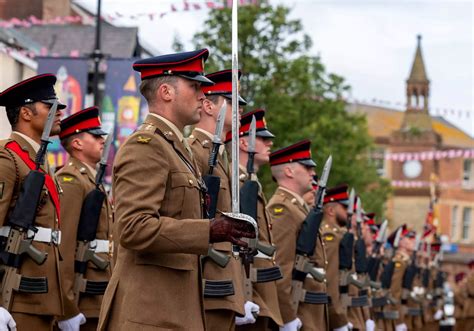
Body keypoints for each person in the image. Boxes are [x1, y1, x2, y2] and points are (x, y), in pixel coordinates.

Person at [97, 49, 255, 330]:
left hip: (174, 311)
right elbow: (133, 227)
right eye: (195, 86)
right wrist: (209, 230)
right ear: (167, 92)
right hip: (149, 314)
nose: (202, 95)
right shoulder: (145, 147)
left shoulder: (177, 149)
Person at [0, 74, 66, 329]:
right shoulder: (8, 158)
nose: (59, 112)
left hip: (43, 298)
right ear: (26, 113)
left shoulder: (40, 162)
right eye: (50, 107)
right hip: (16, 299)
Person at [188, 69, 248, 330]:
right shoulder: (194, 152)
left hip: (225, 278)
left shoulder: (221, 156)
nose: (240, 109)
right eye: (232, 101)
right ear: (209, 105)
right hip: (208, 278)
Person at [56, 106, 114, 330]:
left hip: (98, 296)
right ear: (77, 143)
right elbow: (64, 245)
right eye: (95, 135)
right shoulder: (71, 180)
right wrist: (67, 308)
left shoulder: (92, 180)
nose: (102, 140)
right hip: (83, 299)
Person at [267, 140, 329, 331]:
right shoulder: (283, 209)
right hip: (298, 314)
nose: (313, 173)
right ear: (289, 171)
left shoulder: (297, 209)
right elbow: (280, 268)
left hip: (309, 314)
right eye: (307, 167)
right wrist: (287, 318)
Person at [233, 109, 284, 330]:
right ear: (245, 144)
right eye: (263, 139)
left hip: (261, 297)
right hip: (247, 294)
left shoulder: (251, 183)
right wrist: (239, 296)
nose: (269, 143)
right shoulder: (236, 183)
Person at [321, 184, 351, 331]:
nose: (349, 213)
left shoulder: (339, 235)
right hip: (332, 313)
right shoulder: (330, 236)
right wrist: (338, 317)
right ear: (331, 210)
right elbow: (331, 279)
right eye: (344, 208)